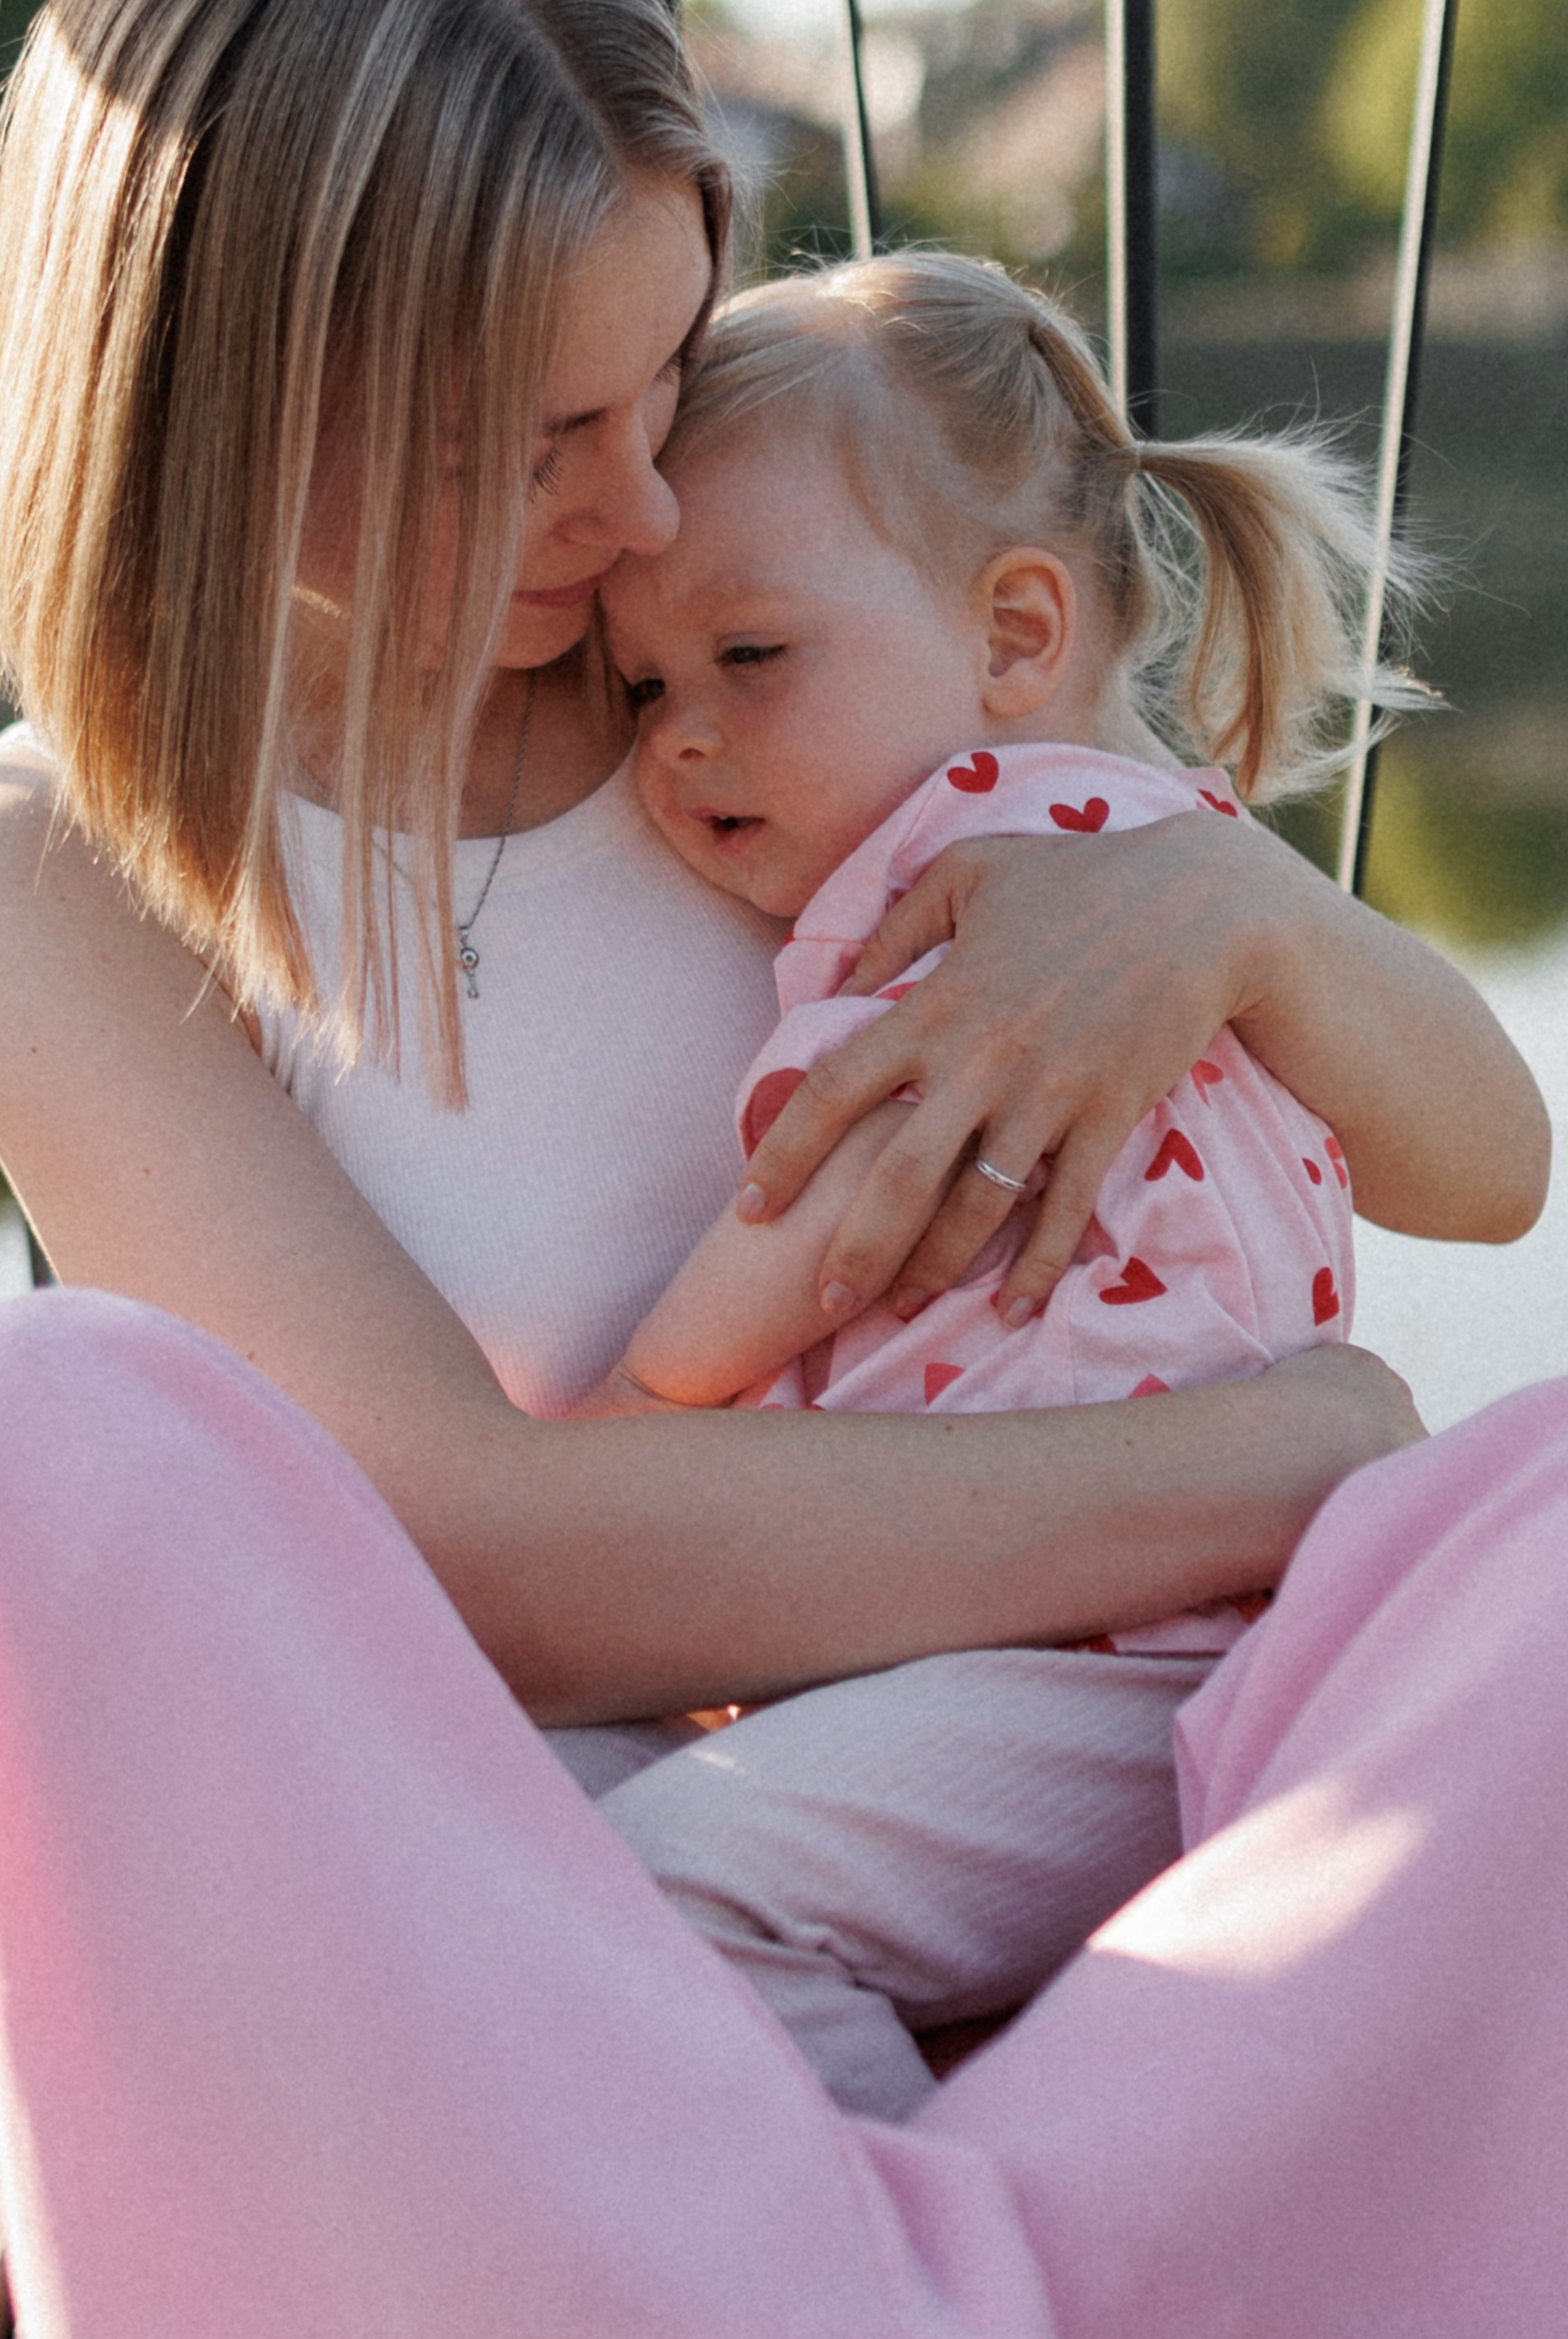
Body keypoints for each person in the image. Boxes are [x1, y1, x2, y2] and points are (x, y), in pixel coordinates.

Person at [0, 0, 1568, 2339]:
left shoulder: (776, 683)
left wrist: (1234, 898)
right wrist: (1247, 1460)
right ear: (232, 385)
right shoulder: (53, 874)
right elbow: (485, 1561)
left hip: (1064, 1896)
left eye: (664, 375)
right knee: (19, 1434)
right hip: (511, 1973)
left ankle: (911, 2254)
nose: (640, 507)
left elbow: (1475, 1158)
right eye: (533, 442)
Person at [578, 247, 1422, 2115]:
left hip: (1088, 1657)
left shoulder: (970, 887)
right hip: (1183, 1630)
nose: (682, 734)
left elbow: (821, 1185)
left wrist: (633, 1414)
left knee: (671, 1893)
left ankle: (923, 2268)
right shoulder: (1187, 873)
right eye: (643, 685)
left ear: (1016, 636)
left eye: (748, 655)